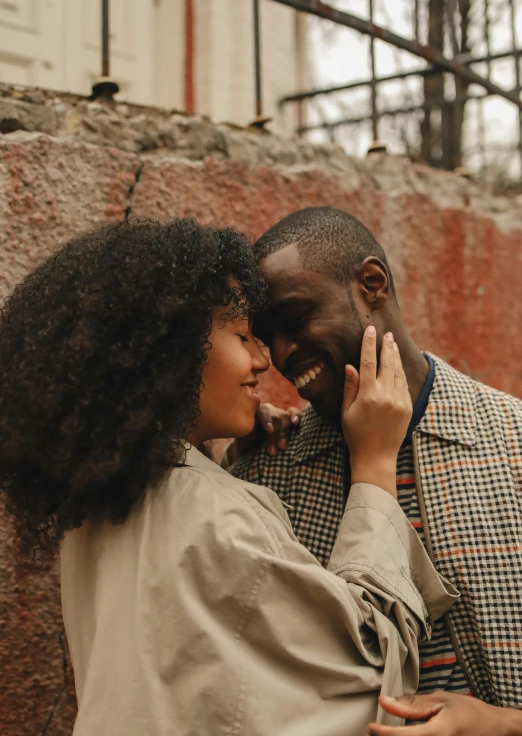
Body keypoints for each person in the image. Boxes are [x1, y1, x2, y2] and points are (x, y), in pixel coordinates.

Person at [0, 218, 454, 736]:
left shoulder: (97, 515)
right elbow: (374, 667)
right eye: (244, 335)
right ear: (168, 355)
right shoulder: (220, 517)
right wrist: (373, 462)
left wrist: (218, 457)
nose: (268, 359)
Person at [227, 206, 522, 735]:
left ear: (371, 283)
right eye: (267, 337)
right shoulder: (268, 473)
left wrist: (501, 724)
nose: (281, 355)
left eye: (294, 321)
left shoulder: (513, 442)